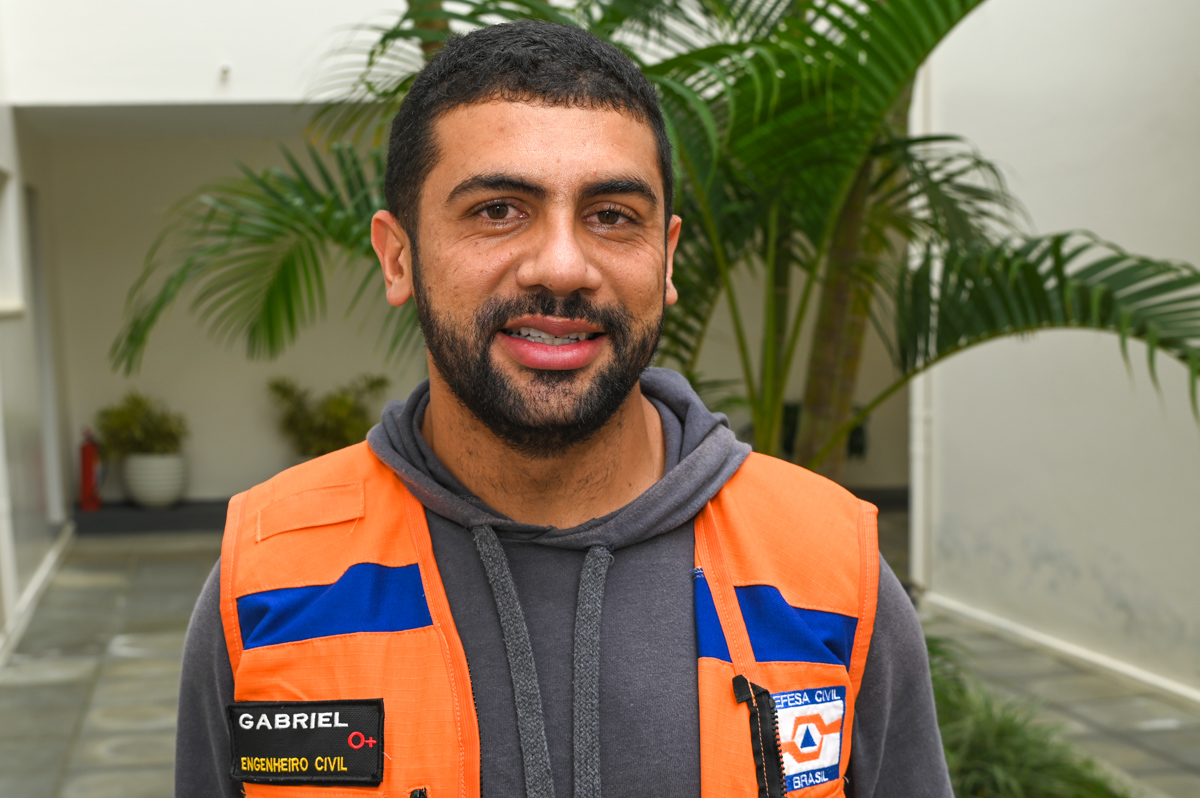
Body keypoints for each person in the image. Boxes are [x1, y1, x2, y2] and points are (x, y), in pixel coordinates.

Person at [175, 20, 952, 798]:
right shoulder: (271, 577)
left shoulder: (829, 567)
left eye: (611, 215)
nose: (562, 266)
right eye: (497, 210)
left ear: (667, 257)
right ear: (398, 256)